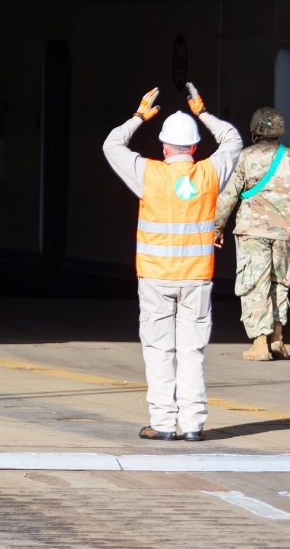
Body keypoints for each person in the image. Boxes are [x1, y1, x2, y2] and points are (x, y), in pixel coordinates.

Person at [103, 83, 241, 442]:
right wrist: (203, 113)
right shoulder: (210, 173)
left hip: (156, 279)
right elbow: (233, 140)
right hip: (196, 278)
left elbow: (111, 145)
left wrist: (138, 117)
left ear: (164, 146)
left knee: (159, 350)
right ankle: (194, 424)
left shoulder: (149, 174)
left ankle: (163, 423)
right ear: (195, 147)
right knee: (191, 352)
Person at [213, 107, 290, 361]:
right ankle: (277, 339)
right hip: (284, 233)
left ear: (255, 131)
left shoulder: (244, 158)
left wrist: (216, 227)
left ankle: (260, 344)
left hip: (253, 233)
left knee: (255, 284)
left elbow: (228, 195)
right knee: (279, 282)